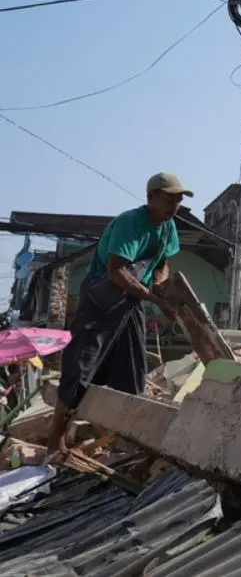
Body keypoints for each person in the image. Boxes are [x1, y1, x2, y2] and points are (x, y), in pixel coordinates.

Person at [44, 173, 189, 458]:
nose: (175, 205)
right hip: (102, 299)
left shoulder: (168, 227)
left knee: (132, 370)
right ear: (151, 197)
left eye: (179, 200)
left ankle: (125, 440)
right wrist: (154, 299)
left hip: (132, 301)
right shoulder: (130, 223)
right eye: (169, 199)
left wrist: (161, 287)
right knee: (81, 366)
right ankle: (55, 439)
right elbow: (117, 270)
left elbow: (162, 262)